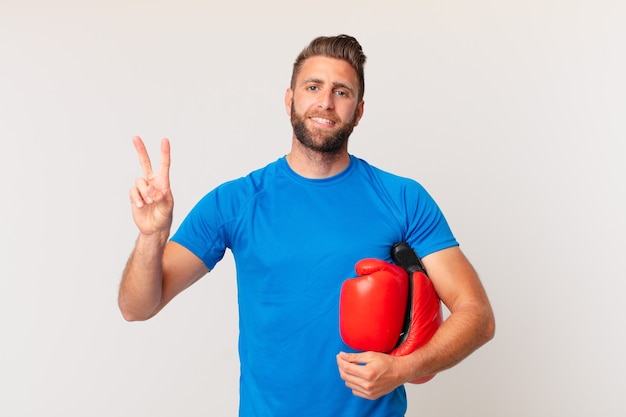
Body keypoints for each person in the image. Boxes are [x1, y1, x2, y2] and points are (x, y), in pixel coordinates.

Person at [119, 34, 495, 417]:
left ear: (359, 111)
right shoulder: (234, 202)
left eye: (342, 91)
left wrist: (403, 369)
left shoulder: (402, 198)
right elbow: (136, 307)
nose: (326, 102)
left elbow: (477, 315)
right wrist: (151, 236)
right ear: (290, 99)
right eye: (313, 86)